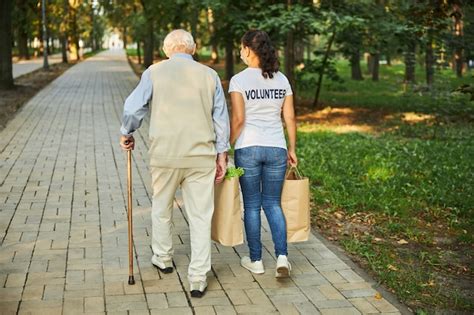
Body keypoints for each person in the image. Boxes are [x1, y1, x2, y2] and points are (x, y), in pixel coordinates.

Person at [120, 29, 230, 297]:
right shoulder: (209, 75)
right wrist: (222, 154)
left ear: (167, 49)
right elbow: (221, 120)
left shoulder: (153, 72)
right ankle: (198, 276)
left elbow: (133, 108)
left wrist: (127, 132)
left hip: (165, 155)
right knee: (201, 216)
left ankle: (163, 258)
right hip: (200, 157)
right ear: (192, 49)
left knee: (161, 207)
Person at [229, 30, 297, 278]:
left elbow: (238, 119)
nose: (239, 52)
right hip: (276, 148)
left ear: (248, 49)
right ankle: (282, 257)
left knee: (252, 205)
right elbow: (289, 117)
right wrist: (292, 148)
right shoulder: (282, 80)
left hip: (248, 148)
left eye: (240, 48)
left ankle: (256, 260)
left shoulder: (239, 80)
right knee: (272, 203)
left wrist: (226, 144)